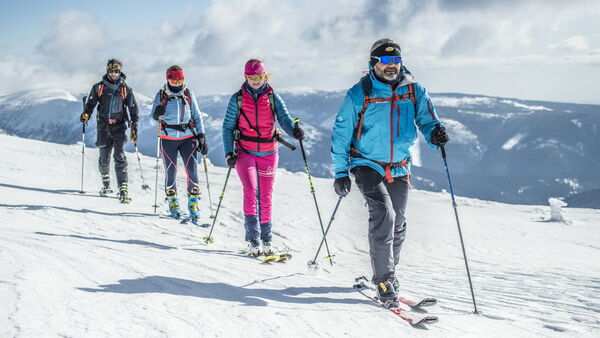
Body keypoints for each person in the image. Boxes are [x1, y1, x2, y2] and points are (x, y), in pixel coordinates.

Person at [331, 39, 449, 307]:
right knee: (384, 214)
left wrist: (435, 134)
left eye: (395, 60)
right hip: (366, 163)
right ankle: (384, 280)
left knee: (399, 223)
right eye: (385, 61)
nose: (391, 65)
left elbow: (428, 120)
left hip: (399, 166)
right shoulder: (359, 93)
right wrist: (340, 172)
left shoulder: (414, 90)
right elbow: (340, 134)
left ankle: (389, 274)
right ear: (374, 64)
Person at [222, 59, 304, 256]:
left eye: (259, 77)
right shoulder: (238, 98)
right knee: (250, 191)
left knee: (265, 196)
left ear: (265, 76)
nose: (256, 81)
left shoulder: (273, 97)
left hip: (268, 152)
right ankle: (253, 240)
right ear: (246, 77)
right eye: (251, 77)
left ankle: (267, 240)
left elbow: (284, 119)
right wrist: (228, 152)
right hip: (244, 151)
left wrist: (295, 131)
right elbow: (227, 127)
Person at [151, 65, 207, 220]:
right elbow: (151, 118)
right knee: (171, 171)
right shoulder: (161, 95)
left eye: (179, 79)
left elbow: (197, 116)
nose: (176, 83)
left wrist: (201, 135)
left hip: (188, 138)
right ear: (168, 79)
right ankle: (173, 201)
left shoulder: (188, 94)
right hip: (168, 138)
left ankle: (193, 203)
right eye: (173, 80)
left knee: (192, 170)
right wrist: (157, 114)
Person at [80, 58, 139, 203]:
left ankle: (123, 188)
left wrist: (134, 126)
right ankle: (106, 183)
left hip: (119, 126)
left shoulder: (126, 89)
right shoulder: (98, 87)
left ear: (120, 71)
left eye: (116, 71)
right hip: (103, 126)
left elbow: (133, 109)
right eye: (111, 71)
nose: (114, 74)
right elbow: (91, 103)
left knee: (119, 155)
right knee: (104, 156)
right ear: (107, 71)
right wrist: (86, 114)